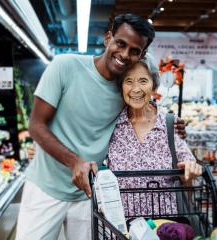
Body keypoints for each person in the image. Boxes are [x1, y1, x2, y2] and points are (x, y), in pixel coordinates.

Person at [15, 13, 186, 240]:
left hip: (90, 195)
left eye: (134, 50)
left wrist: (174, 125)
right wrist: (74, 161)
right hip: (45, 189)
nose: (125, 54)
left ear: (142, 54)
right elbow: (36, 126)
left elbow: (146, 108)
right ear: (108, 38)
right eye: (120, 43)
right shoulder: (65, 67)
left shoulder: (126, 89)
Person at [107, 56, 202, 217]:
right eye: (129, 81)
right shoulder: (111, 125)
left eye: (143, 81)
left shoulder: (169, 124)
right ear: (121, 87)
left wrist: (191, 168)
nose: (136, 89)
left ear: (153, 86)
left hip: (164, 228)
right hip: (122, 229)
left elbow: (188, 163)